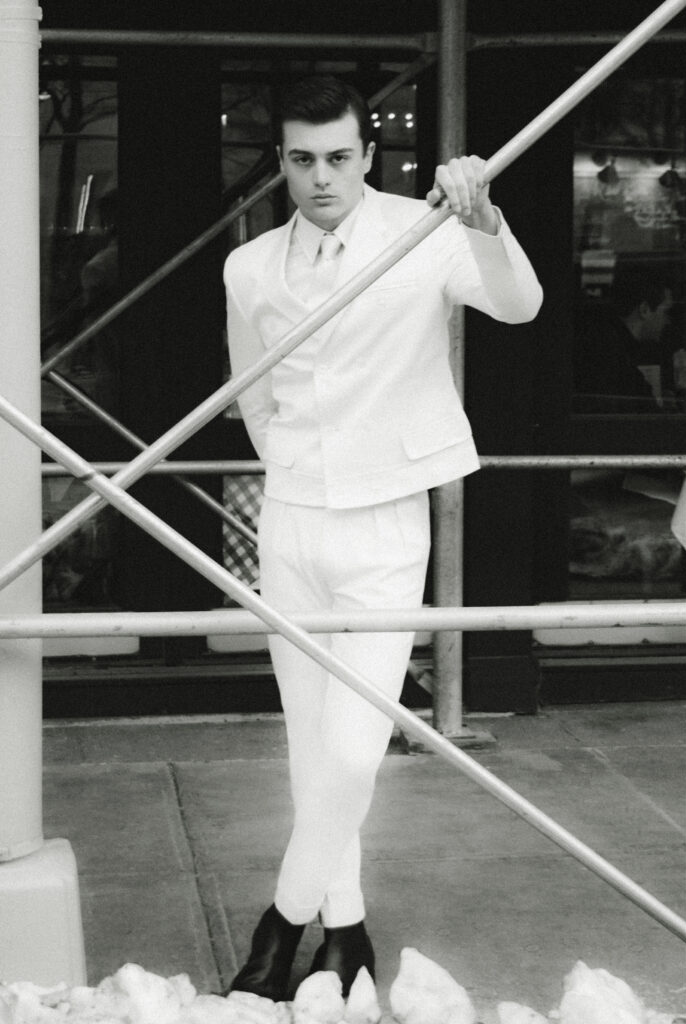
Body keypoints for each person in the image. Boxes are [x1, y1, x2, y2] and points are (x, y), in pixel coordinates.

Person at [223, 75, 542, 1001]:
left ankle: (281, 925)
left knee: (357, 750)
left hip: (387, 521)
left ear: (368, 154)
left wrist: (483, 220)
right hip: (291, 520)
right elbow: (254, 390)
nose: (321, 177)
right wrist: (291, 458)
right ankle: (348, 928)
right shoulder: (248, 267)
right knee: (309, 746)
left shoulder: (423, 228)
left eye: (338, 157)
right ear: (281, 162)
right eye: (300, 159)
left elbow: (519, 306)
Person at [573, 262, 674, 413]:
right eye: (665, 311)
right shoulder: (610, 353)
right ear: (644, 310)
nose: (667, 320)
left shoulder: (611, 343)